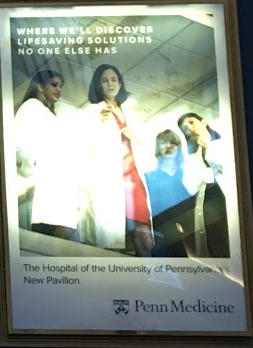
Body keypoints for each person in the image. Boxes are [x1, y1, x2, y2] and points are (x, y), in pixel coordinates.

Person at [81, 62, 154, 255]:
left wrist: (134, 135)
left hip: (133, 178)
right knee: (112, 237)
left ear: (120, 84)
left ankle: (149, 270)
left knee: (143, 233)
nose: (110, 84)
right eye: (105, 80)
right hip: (110, 179)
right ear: (98, 85)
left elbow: (146, 144)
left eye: (114, 79)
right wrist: (98, 121)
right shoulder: (91, 111)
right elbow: (84, 146)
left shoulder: (130, 112)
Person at [11, 68, 84, 239]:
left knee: (62, 234)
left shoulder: (52, 115)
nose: (59, 89)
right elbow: (17, 139)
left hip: (61, 182)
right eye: (54, 85)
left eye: (60, 86)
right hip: (47, 181)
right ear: (40, 86)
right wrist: (34, 162)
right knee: (49, 233)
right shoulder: (32, 106)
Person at [177, 111, 230, 257]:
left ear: (204, 122)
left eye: (191, 122)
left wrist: (209, 146)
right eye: (185, 128)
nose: (189, 128)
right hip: (210, 206)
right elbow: (191, 186)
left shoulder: (226, 140)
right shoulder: (194, 157)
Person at [145, 128, 191, 253]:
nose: (169, 146)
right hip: (162, 239)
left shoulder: (187, 175)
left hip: (190, 238)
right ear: (158, 148)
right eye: (164, 142)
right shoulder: (148, 177)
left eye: (173, 143)